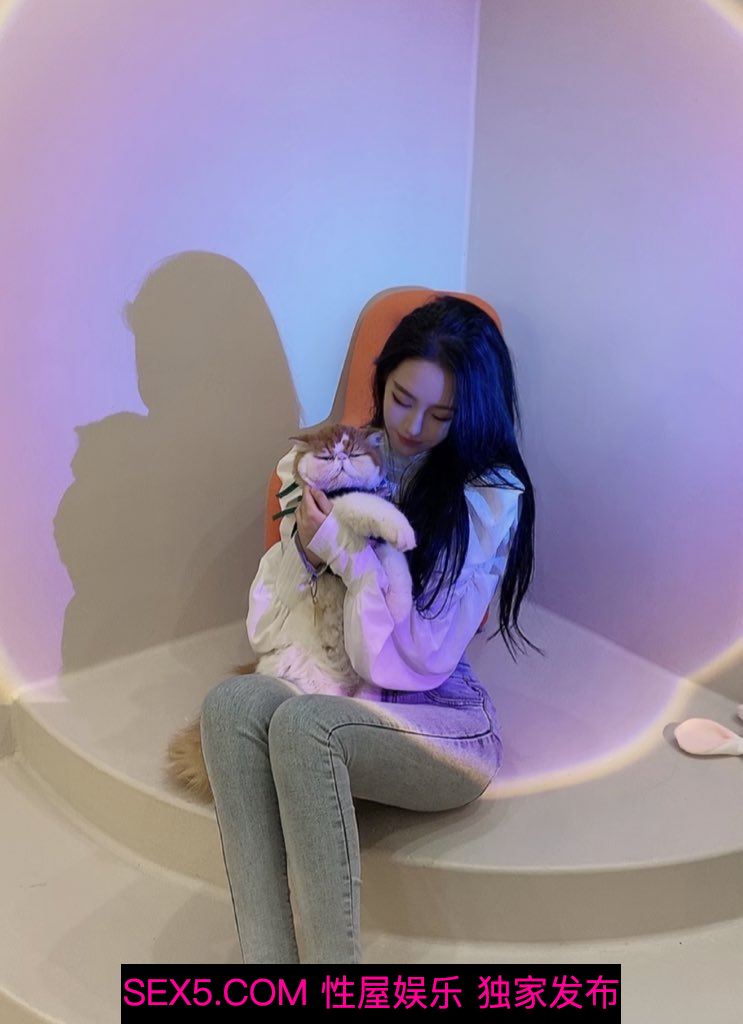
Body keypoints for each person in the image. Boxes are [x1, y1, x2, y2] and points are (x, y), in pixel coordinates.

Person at [200, 294, 540, 964]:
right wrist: (304, 550)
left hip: (440, 722)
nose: (411, 426)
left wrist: (342, 551)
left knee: (307, 726)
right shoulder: (350, 458)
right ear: (381, 380)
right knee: (230, 705)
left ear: (472, 414)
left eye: (440, 415)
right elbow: (276, 617)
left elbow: (418, 657)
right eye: (400, 398)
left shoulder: (488, 494)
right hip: (343, 692)